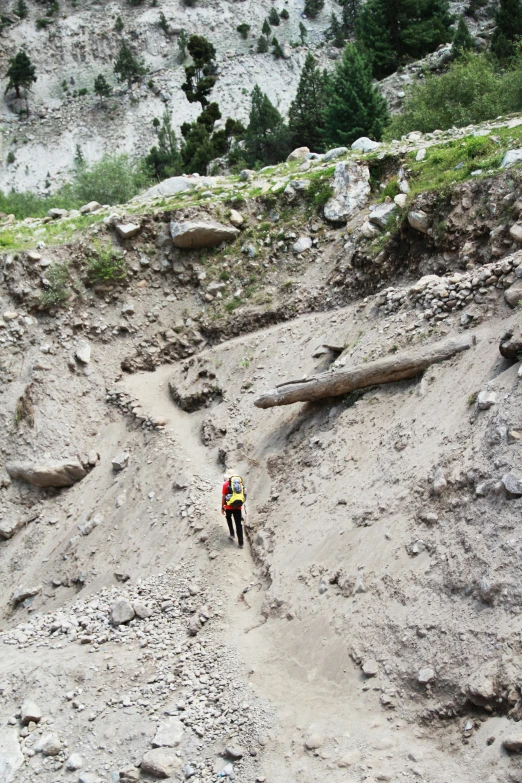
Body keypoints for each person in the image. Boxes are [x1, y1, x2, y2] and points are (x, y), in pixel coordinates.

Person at [221, 473, 246, 548]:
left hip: (228, 507)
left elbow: (223, 497)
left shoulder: (225, 484)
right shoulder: (240, 483)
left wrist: (222, 507)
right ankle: (241, 543)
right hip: (238, 507)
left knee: (229, 519)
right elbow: (244, 493)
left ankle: (232, 534)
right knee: (238, 524)